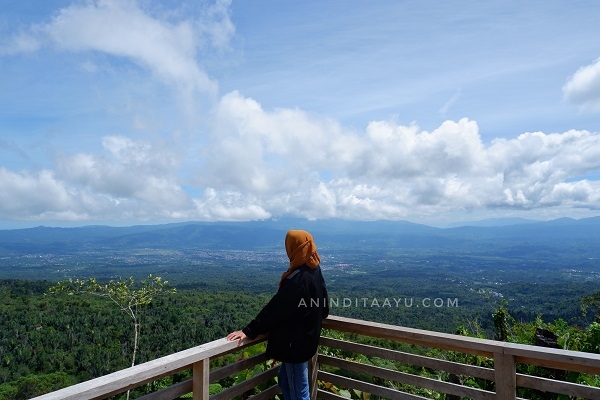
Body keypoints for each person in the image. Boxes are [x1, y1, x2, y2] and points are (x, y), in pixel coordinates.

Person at [226, 229, 329, 400]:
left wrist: (249, 331)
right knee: (286, 382)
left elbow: (274, 310)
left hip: (294, 345)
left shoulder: (298, 279)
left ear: (293, 247)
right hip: (306, 341)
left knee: (298, 392)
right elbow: (323, 304)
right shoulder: (314, 269)